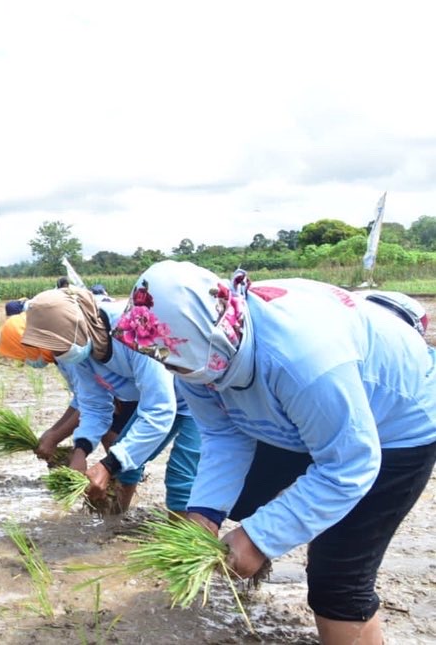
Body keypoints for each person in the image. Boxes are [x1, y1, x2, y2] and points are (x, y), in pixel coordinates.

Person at [114, 261, 436, 644]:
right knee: (244, 500)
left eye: (173, 358)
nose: (168, 366)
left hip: (394, 431)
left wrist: (259, 538)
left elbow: (349, 465)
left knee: (337, 577)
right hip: (302, 415)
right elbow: (222, 434)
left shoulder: (303, 360)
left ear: (211, 336)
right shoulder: (194, 357)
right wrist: (205, 514)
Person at [0, 288, 199, 513]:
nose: (57, 354)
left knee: (181, 480)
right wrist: (80, 451)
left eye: (59, 347)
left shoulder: (135, 330)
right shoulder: (79, 347)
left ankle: (188, 544)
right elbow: (94, 404)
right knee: (126, 467)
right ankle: (114, 525)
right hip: (158, 397)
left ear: (75, 329)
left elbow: (159, 409)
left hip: (198, 396)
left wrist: (107, 465)